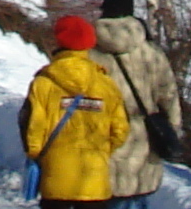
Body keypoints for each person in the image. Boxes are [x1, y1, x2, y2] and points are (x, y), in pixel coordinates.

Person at [15, 12, 130, 205]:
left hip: (56, 178)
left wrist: (38, 155)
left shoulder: (44, 82)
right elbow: (120, 130)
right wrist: (101, 150)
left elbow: (33, 127)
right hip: (94, 180)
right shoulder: (106, 84)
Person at [87, 0, 183, 206]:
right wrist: (172, 129)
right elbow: (169, 96)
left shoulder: (88, 54)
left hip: (102, 141)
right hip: (143, 144)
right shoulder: (152, 53)